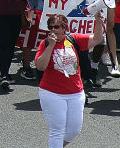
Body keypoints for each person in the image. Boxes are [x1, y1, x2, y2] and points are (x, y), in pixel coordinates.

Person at [35, 12, 104, 148]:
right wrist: (50, 46)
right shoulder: (45, 43)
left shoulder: (73, 39)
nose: (53, 30)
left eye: (57, 27)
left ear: (64, 27)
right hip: (52, 93)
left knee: (73, 130)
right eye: (51, 27)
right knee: (57, 131)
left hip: (75, 93)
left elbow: (97, 39)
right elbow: (40, 66)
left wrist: (98, 22)